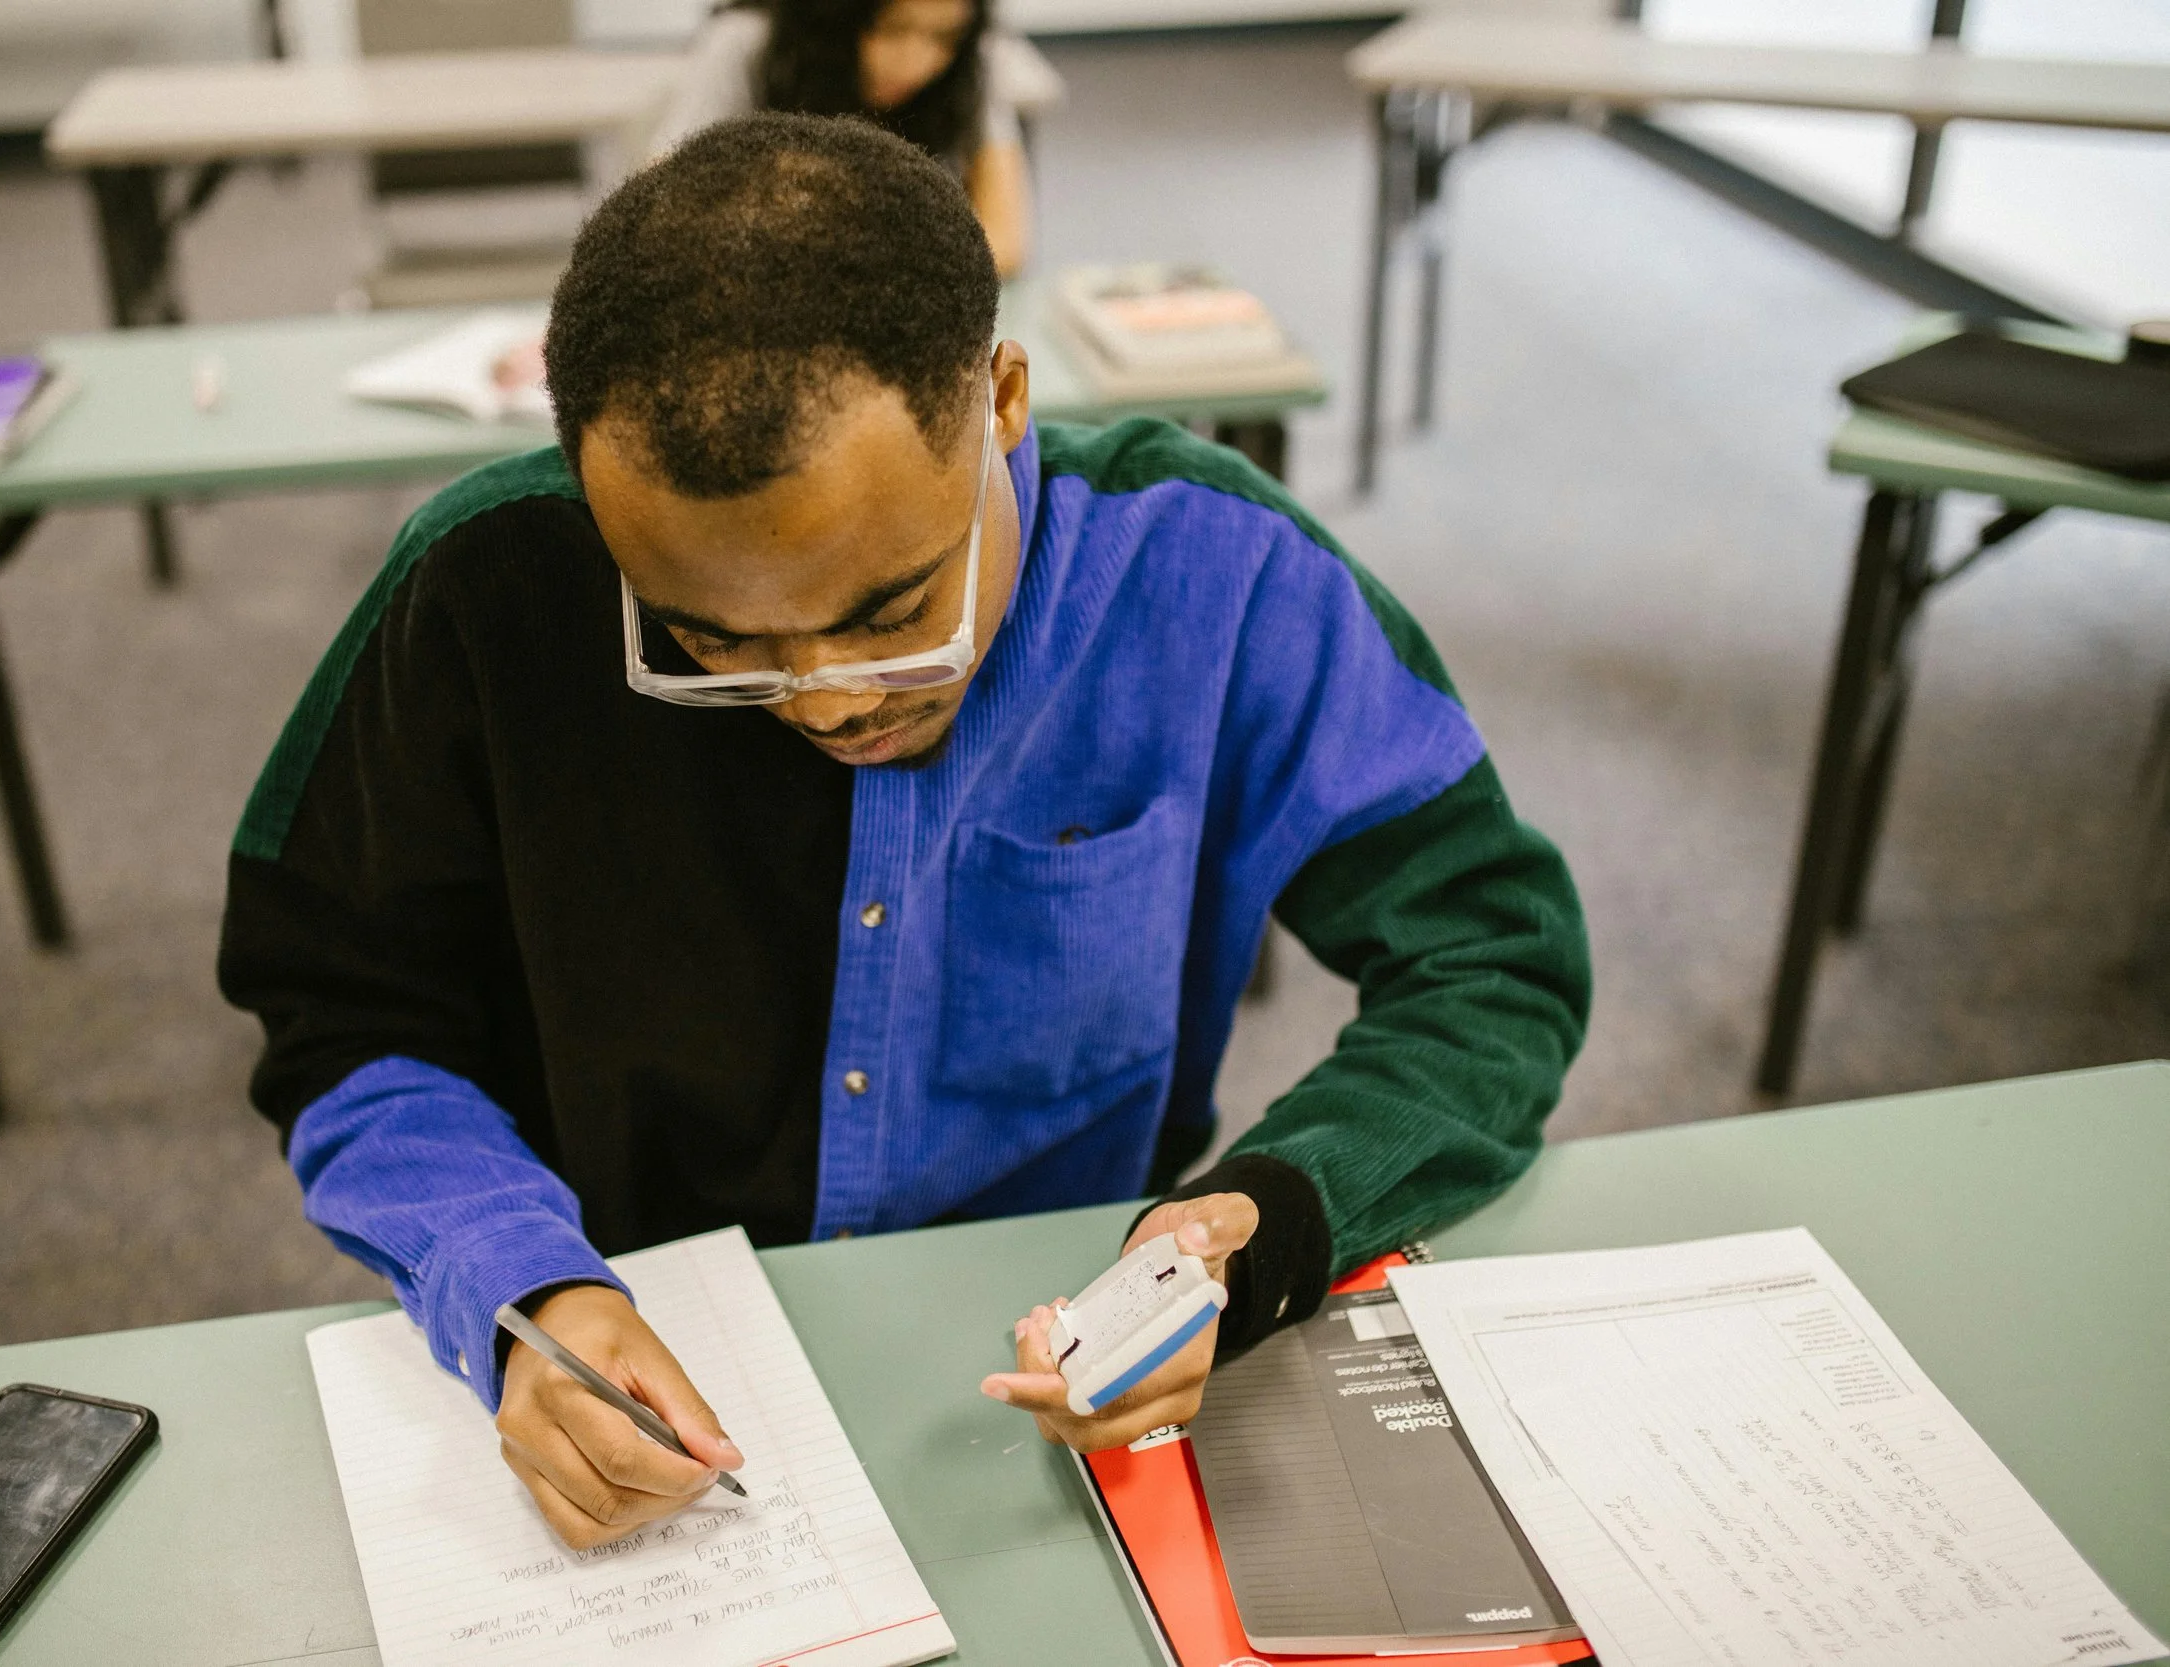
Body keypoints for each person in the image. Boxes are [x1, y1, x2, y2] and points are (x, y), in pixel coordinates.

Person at [218, 112, 1587, 1550]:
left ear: (1000, 397)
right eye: (711, 639)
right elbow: (341, 1016)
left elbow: (1495, 955)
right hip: (640, 1338)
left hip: (1058, 1388)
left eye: (892, 609)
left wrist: (1265, 1224)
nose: (826, 698)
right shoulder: (482, 588)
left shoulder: (1211, 570)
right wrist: (518, 1282)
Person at [648, 0, 1033, 274]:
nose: (916, 62)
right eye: (892, 28)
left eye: (945, 37)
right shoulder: (748, 42)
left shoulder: (968, 69)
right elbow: (663, 209)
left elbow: (1006, 240)